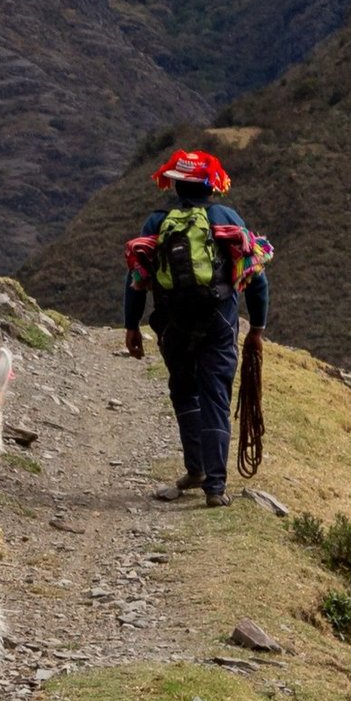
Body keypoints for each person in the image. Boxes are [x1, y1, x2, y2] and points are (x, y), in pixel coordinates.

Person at [118, 148, 272, 507]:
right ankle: (215, 488)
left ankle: (195, 468)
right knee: (215, 396)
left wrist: (132, 326)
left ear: (175, 185)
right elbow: (256, 277)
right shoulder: (227, 217)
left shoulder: (157, 223)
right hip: (219, 320)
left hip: (172, 322)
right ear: (212, 185)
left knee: (185, 392)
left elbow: (136, 278)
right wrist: (257, 329)